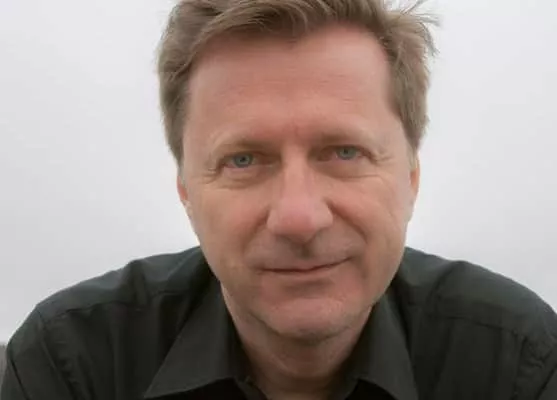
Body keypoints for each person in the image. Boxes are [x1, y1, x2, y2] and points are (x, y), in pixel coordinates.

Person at [2, 0, 557, 399]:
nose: (299, 217)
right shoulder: (70, 365)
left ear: (411, 179)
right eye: (244, 160)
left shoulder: (517, 365)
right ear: (187, 193)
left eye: (344, 152)